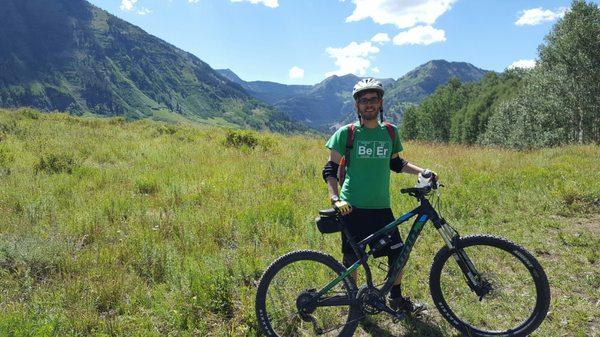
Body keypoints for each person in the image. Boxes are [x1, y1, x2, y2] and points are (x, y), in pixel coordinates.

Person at [321, 78, 436, 314]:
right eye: (363, 100)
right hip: (351, 206)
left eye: (373, 99)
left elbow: (396, 163)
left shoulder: (391, 132)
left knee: (398, 254)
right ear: (357, 106)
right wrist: (335, 198)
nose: (368, 104)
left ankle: (395, 298)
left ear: (380, 102)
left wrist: (422, 171)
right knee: (351, 258)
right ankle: (354, 304)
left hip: (381, 207)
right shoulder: (347, 134)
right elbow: (330, 170)